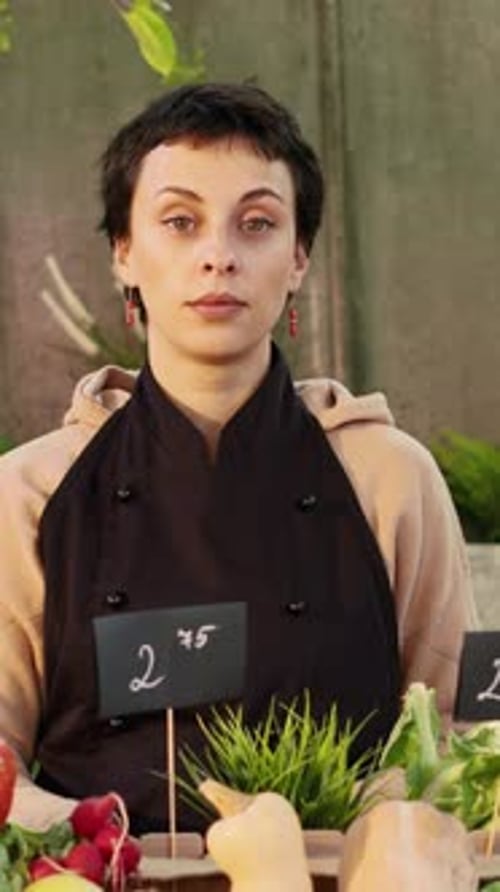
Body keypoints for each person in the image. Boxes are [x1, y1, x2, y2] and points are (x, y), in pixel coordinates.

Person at [0, 82, 476, 835]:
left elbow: (462, 728)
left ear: (297, 259)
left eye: (256, 224)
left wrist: (382, 831)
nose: (218, 256)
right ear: (124, 253)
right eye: (180, 222)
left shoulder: (392, 477)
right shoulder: (28, 491)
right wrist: (95, 839)